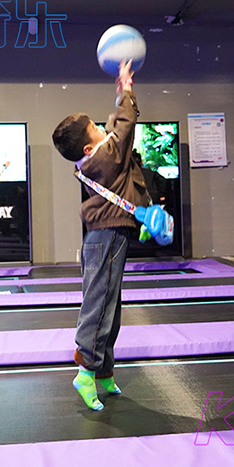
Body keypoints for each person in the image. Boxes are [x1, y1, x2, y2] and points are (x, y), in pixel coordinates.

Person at [52, 60, 149, 411]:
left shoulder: (95, 159)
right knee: (99, 303)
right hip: (106, 237)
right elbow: (123, 126)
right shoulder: (104, 158)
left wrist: (119, 96)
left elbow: (113, 130)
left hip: (107, 236)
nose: (101, 126)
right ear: (88, 148)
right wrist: (126, 89)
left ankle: (104, 370)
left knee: (110, 303)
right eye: (94, 127)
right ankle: (86, 372)